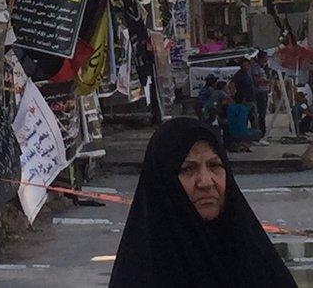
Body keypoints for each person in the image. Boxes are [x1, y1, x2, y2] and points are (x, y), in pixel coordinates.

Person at [110, 118, 296, 288]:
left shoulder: (255, 259)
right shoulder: (142, 273)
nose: (206, 182)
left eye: (215, 165)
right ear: (163, 181)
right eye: (188, 169)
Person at [253, 51, 272, 139]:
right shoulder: (256, 68)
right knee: (261, 112)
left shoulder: (264, 67)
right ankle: (261, 132)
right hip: (259, 92)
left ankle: (262, 131)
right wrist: (266, 81)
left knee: (263, 112)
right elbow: (256, 80)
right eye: (266, 57)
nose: (267, 59)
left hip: (264, 91)